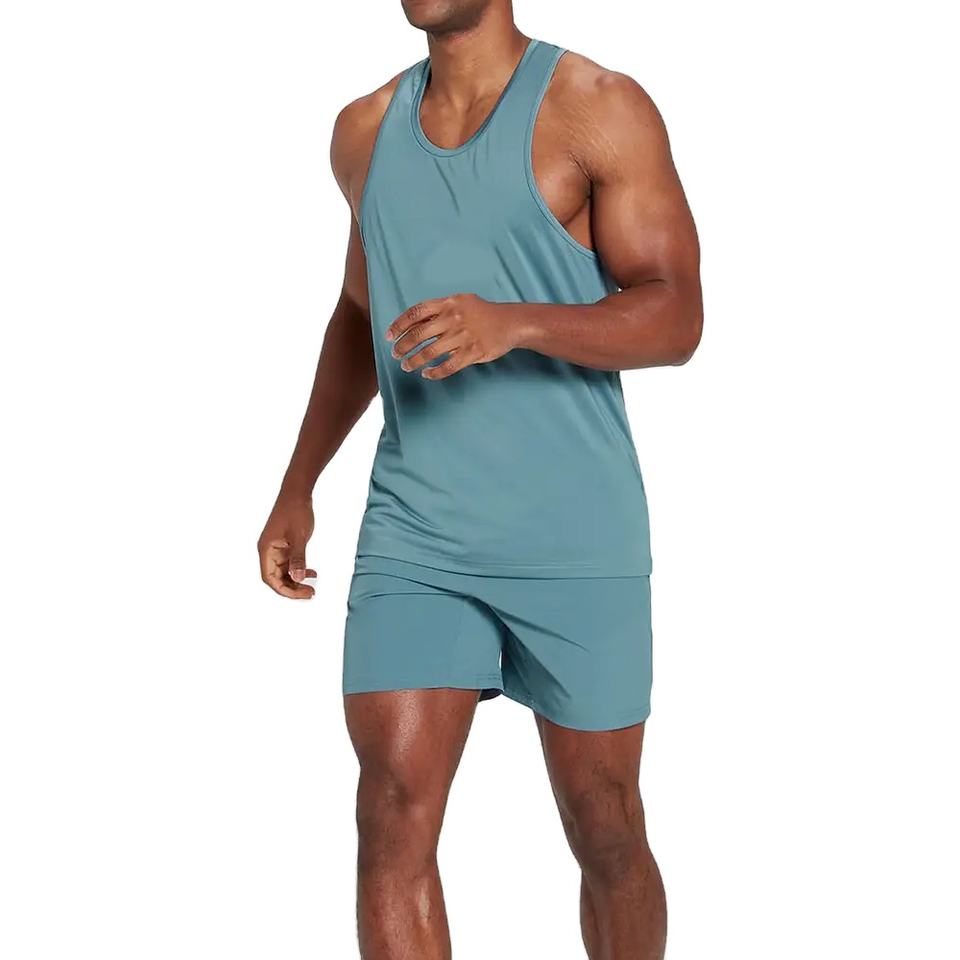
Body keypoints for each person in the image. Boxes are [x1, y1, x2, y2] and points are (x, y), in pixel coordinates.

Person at [257, 1, 701, 956]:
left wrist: (517, 322)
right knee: (391, 811)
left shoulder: (598, 106)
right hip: (416, 530)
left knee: (605, 823)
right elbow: (359, 313)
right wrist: (299, 483)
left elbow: (675, 316)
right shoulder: (364, 131)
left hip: (573, 532)